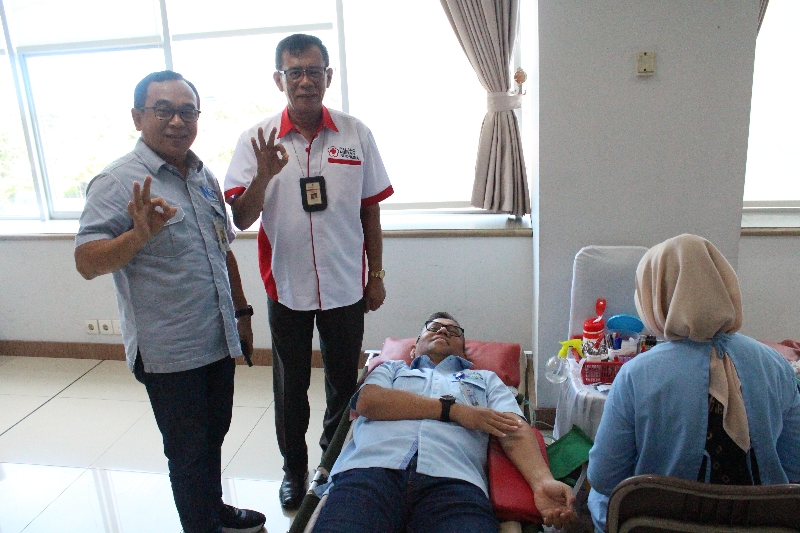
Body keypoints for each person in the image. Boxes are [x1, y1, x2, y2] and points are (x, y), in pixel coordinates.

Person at [75, 70, 266, 533]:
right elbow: (86, 262)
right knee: (187, 451)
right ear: (138, 117)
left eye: (187, 111)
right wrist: (137, 235)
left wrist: (241, 314)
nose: (177, 121)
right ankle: (201, 526)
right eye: (163, 110)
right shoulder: (117, 181)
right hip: (169, 350)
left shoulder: (202, 175)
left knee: (214, 434)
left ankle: (213, 508)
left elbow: (222, 248)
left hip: (216, 338)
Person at [223, 33, 393, 509]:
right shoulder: (256, 139)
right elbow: (241, 218)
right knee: (290, 386)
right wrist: (263, 175)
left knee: (343, 383)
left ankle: (331, 465)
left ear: (328, 77)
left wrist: (376, 276)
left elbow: (371, 210)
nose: (304, 81)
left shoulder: (356, 134)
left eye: (313, 72)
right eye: (294, 72)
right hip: (287, 286)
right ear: (279, 80)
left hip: (345, 283)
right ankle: (293, 470)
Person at [587, 234, 800, 532]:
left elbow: (604, 476)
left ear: (655, 297)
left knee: (598, 498)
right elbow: (794, 467)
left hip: (658, 525)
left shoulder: (636, 375)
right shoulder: (776, 366)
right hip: (760, 523)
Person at [312, 312, 577, 532]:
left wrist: (542, 481)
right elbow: (368, 402)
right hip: (369, 474)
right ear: (414, 347)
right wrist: (455, 411)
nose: (443, 331)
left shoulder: (486, 380)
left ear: (464, 351)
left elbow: (512, 428)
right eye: (434, 327)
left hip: (454, 482)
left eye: (454, 331)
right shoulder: (391, 369)